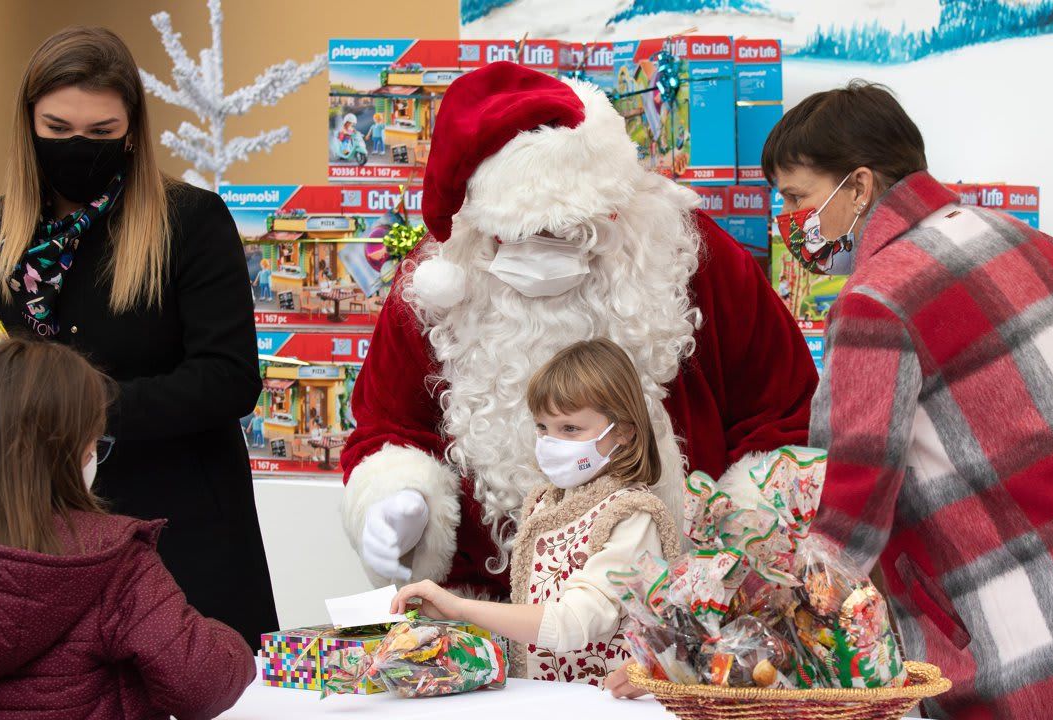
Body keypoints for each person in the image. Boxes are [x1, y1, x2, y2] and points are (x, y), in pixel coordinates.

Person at [340, 62, 817, 598]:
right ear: (479, 226)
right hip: (497, 617)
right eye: (523, 237)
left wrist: (743, 550)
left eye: (574, 232)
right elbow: (388, 426)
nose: (547, 253)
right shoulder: (435, 290)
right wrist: (396, 498)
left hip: (675, 615)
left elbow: (784, 414)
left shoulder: (686, 255)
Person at [763, 81, 1053, 718]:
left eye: (795, 197)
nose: (787, 222)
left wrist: (769, 628)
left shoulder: (874, 303)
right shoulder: (1038, 246)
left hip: (1020, 635)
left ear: (860, 186)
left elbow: (851, 516)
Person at [0, 27, 277, 649]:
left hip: (179, 529)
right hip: (34, 531)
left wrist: (79, 405)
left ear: (132, 131)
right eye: (58, 130)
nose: (78, 148)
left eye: (100, 134)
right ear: (28, 124)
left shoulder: (190, 222)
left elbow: (229, 379)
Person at [0, 339, 255, 719]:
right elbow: (204, 685)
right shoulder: (114, 561)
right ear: (74, 449)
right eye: (96, 440)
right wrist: (226, 642)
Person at [391, 339, 679, 687]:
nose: (551, 442)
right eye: (543, 428)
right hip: (544, 698)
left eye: (570, 429)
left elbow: (572, 622)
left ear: (624, 431)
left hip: (599, 705)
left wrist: (461, 607)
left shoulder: (633, 516)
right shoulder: (545, 504)